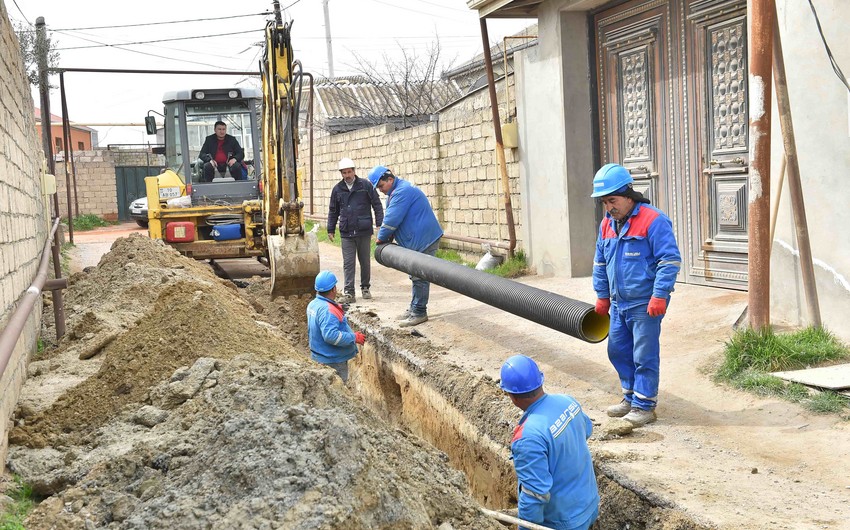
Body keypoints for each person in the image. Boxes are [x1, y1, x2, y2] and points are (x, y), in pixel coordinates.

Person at [591, 163, 681, 427]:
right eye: (604, 202)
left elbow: (669, 261)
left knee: (644, 355)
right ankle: (630, 397)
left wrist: (660, 295)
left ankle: (644, 406)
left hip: (644, 303)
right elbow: (600, 262)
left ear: (628, 195)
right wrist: (602, 295)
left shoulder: (653, 220)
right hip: (619, 303)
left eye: (613, 200)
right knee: (617, 350)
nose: (609, 207)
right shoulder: (607, 224)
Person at [500, 354, 599, 530]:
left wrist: (525, 528)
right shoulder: (567, 401)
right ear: (540, 382)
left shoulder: (527, 438)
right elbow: (586, 430)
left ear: (512, 396)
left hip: (562, 522)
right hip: (589, 506)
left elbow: (534, 494)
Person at [368, 165, 443, 328]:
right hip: (418, 238)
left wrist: (381, 239)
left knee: (420, 275)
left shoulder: (402, 192)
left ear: (390, 179)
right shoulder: (396, 191)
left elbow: (391, 220)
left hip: (425, 239)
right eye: (378, 188)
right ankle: (414, 307)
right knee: (415, 274)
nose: (380, 190)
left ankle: (419, 312)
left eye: (381, 186)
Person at [327, 158, 384, 304]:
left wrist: (379, 225)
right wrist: (330, 229)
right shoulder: (337, 189)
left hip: (363, 230)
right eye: (344, 173)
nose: (347, 175)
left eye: (349, 172)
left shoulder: (365, 185)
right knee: (348, 263)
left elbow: (377, 205)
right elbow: (333, 210)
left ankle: (365, 288)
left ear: (354, 171)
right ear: (341, 174)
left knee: (365, 261)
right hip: (346, 232)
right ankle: (349, 292)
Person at [306, 270, 366, 382]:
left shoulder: (313, 304)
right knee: (338, 388)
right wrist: (354, 337)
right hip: (332, 360)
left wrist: (337, 308)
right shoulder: (328, 311)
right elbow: (331, 336)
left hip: (318, 356)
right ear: (333, 289)